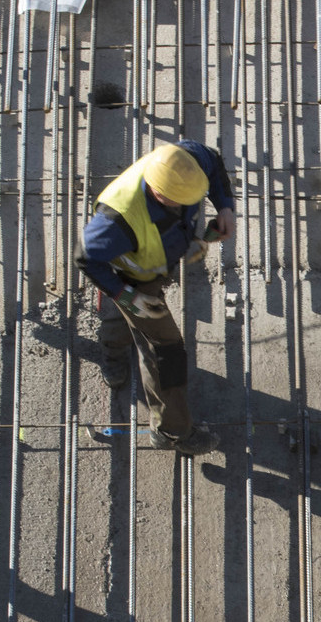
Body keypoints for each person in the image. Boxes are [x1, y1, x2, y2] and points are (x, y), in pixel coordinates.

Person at [75, 140, 233, 457]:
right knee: (166, 353)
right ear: (160, 194)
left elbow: (213, 162)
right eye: (183, 202)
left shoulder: (182, 161)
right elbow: (85, 258)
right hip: (132, 279)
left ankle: (112, 354)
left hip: (154, 264)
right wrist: (126, 294)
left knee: (123, 318)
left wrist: (225, 207)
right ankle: (171, 432)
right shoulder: (115, 221)